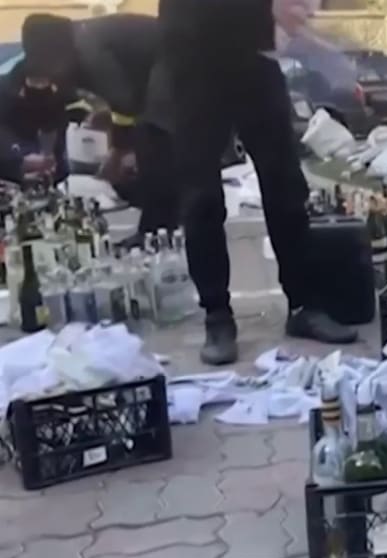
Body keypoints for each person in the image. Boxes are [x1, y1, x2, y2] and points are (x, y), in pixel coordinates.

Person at [159, 0, 358, 365]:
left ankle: (304, 305)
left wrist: (318, 46)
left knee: (285, 185)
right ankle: (217, 316)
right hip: (192, 55)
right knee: (201, 196)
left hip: (253, 55)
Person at [16, 13, 178, 242]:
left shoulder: (89, 51)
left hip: (175, 59)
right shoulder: (69, 53)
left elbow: (126, 103)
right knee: (148, 142)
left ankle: (157, 229)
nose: (51, 75)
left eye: (49, 67)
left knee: (154, 140)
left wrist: (117, 153)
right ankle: (164, 217)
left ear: (57, 51)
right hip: (150, 73)